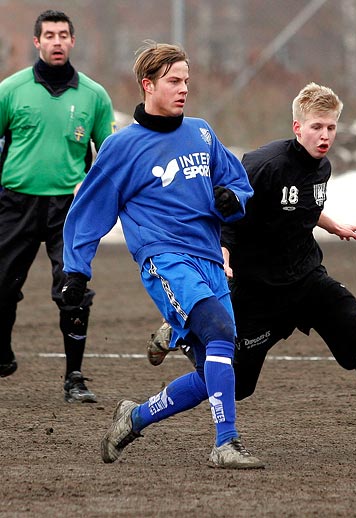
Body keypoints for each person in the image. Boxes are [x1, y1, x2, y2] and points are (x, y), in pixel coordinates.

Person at [149, 82, 356, 457]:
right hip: (258, 290)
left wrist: (332, 225)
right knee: (239, 384)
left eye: (331, 127)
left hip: (306, 279)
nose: (324, 135)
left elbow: (301, 206)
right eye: (316, 126)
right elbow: (229, 213)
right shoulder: (265, 165)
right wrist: (224, 258)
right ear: (297, 128)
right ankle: (184, 334)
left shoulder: (322, 166)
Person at [62, 41, 263, 469]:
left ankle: (134, 417)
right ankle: (225, 444)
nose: (183, 88)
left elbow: (237, 181)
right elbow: (88, 212)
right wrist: (75, 271)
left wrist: (233, 199)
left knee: (221, 371)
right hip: (165, 259)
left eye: (186, 80)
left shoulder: (202, 131)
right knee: (221, 332)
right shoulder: (122, 147)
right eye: (174, 81)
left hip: (210, 260)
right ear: (147, 85)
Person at [0, 10, 115, 403]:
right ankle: (2, 353)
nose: (56, 41)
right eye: (48, 35)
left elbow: (108, 158)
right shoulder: (11, 90)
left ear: (72, 41)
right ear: (37, 41)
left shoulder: (94, 96)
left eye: (63, 35)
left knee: (73, 290)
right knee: (1, 286)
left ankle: (75, 378)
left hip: (67, 208)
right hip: (13, 203)